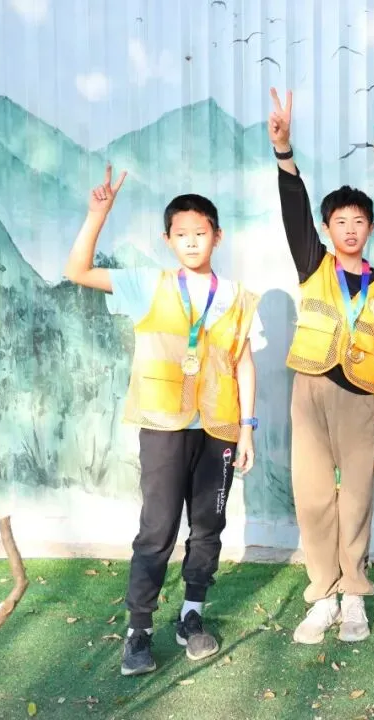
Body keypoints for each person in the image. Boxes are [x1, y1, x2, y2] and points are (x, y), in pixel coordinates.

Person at [64, 166, 262, 676]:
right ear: (167, 240)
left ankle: (191, 615)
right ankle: (139, 631)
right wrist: (97, 214)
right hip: (164, 426)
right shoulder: (145, 285)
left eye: (201, 233)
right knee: (157, 528)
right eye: (182, 234)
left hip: (219, 429)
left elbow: (243, 362)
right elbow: (78, 270)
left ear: (218, 236)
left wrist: (247, 428)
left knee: (209, 524)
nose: (192, 242)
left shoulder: (238, 296)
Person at [268, 88, 374, 645]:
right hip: (310, 394)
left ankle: (354, 596)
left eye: (359, 221)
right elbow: (293, 212)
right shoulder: (313, 264)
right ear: (327, 228)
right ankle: (322, 595)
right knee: (313, 497)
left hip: (361, 402)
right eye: (340, 220)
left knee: (357, 499)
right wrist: (284, 151)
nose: (349, 228)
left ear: (370, 228)